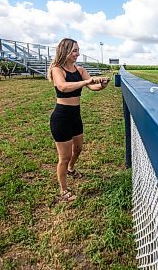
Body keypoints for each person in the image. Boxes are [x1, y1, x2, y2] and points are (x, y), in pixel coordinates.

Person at [48, 38, 110, 201]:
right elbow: (62, 86)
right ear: (65, 51)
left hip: (75, 115)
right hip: (61, 117)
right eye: (74, 50)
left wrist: (102, 85)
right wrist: (87, 81)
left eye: (78, 50)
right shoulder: (57, 69)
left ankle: (71, 169)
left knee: (78, 149)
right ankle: (63, 190)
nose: (77, 54)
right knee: (64, 156)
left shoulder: (80, 70)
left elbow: (92, 86)